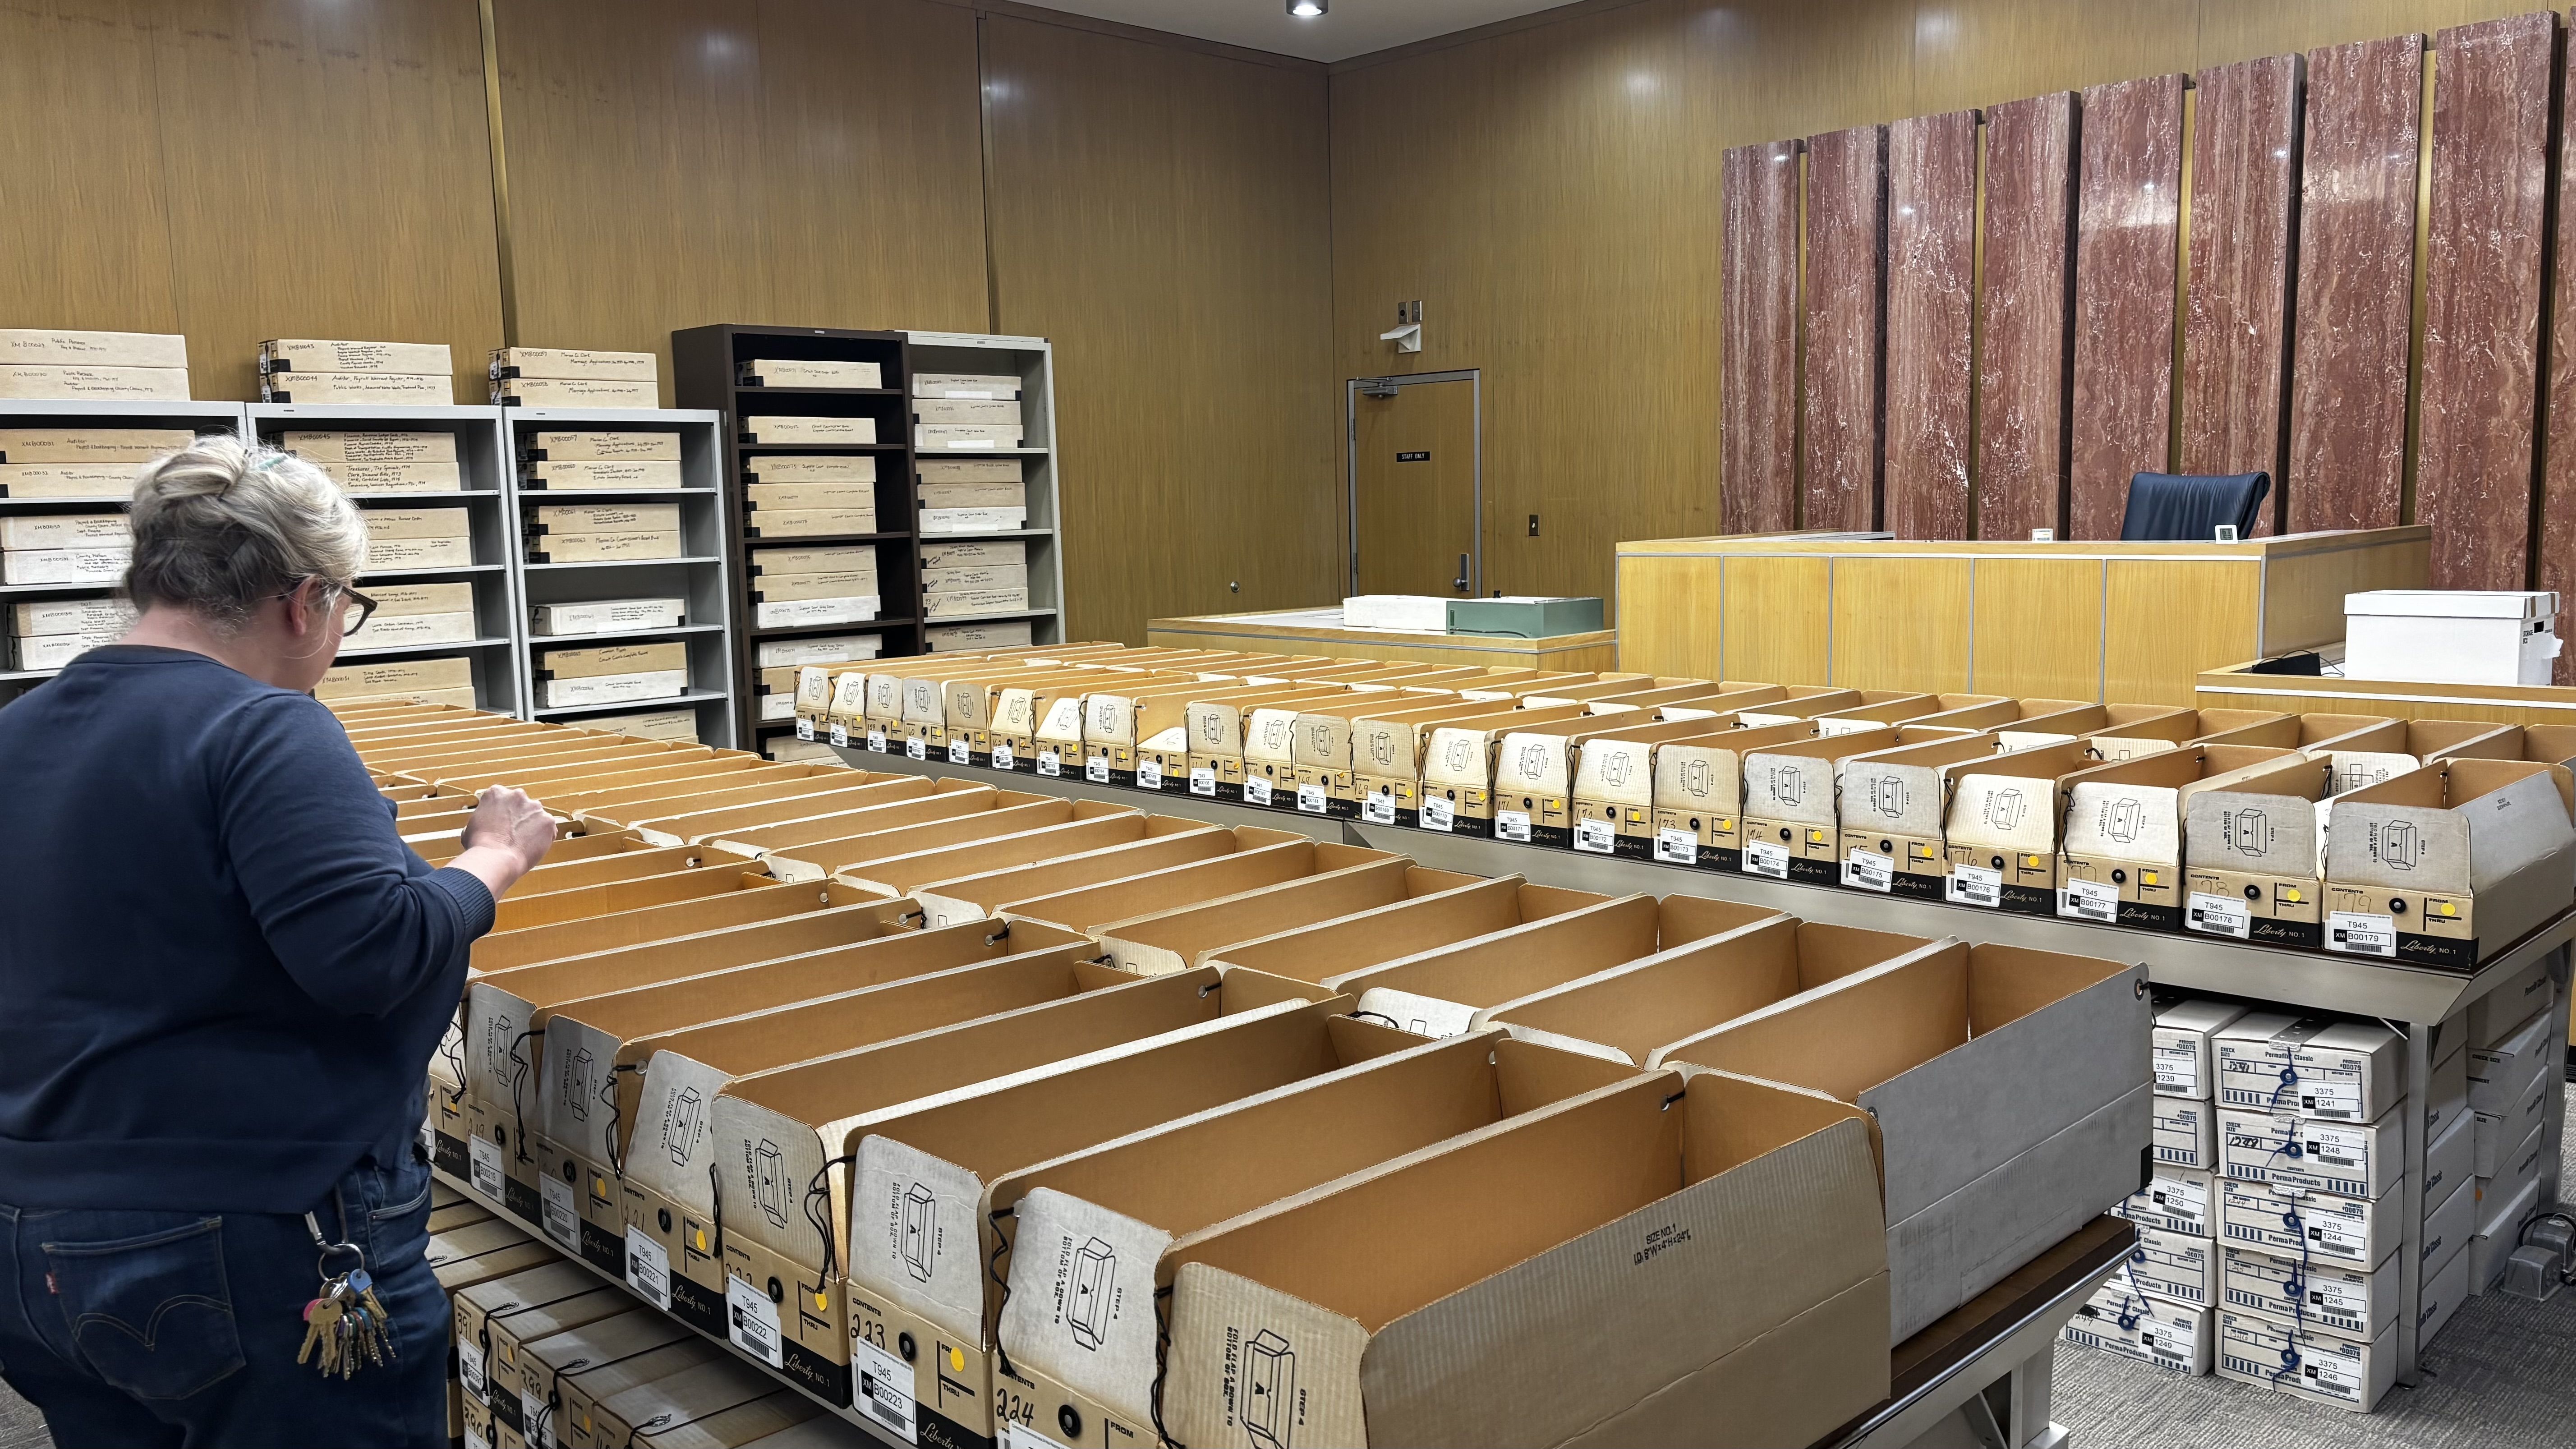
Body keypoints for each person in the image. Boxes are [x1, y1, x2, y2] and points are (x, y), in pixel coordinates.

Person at [0, 435, 553, 1447]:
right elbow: (372, 951)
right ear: (304, 599)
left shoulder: (20, 729)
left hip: (33, 1234)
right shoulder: (265, 727)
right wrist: (493, 858)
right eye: (348, 603)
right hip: (239, 1239)